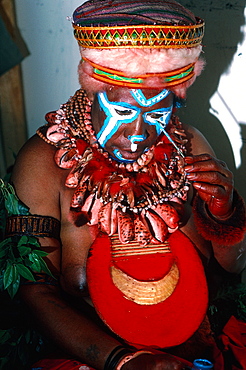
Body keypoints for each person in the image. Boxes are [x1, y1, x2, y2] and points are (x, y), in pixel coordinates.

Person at [3, 0, 246, 369]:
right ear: (92, 90)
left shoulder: (190, 147)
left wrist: (225, 214)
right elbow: (35, 293)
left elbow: (234, 269)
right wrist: (124, 361)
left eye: (157, 113)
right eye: (123, 112)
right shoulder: (43, 162)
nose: (137, 134)